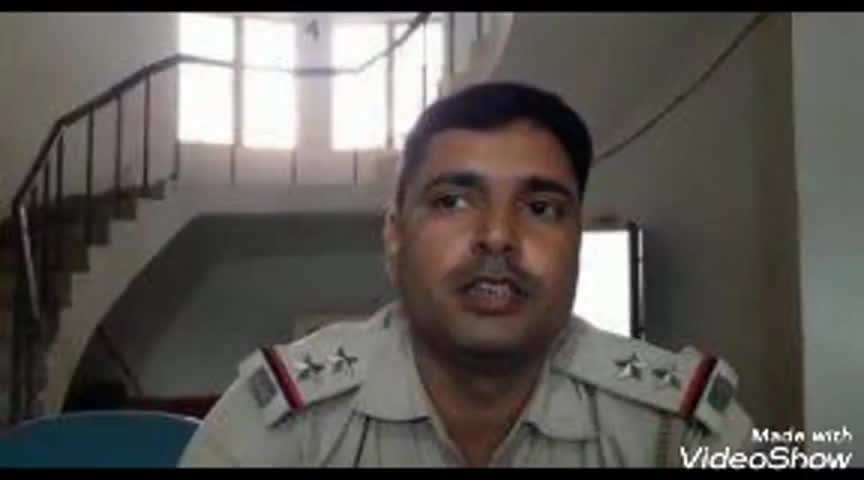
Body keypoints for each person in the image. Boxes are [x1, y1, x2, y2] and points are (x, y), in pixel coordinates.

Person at [179, 83, 753, 468]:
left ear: (576, 241)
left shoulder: (675, 428)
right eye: (453, 201)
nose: (498, 235)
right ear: (394, 236)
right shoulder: (283, 420)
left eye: (541, 208)